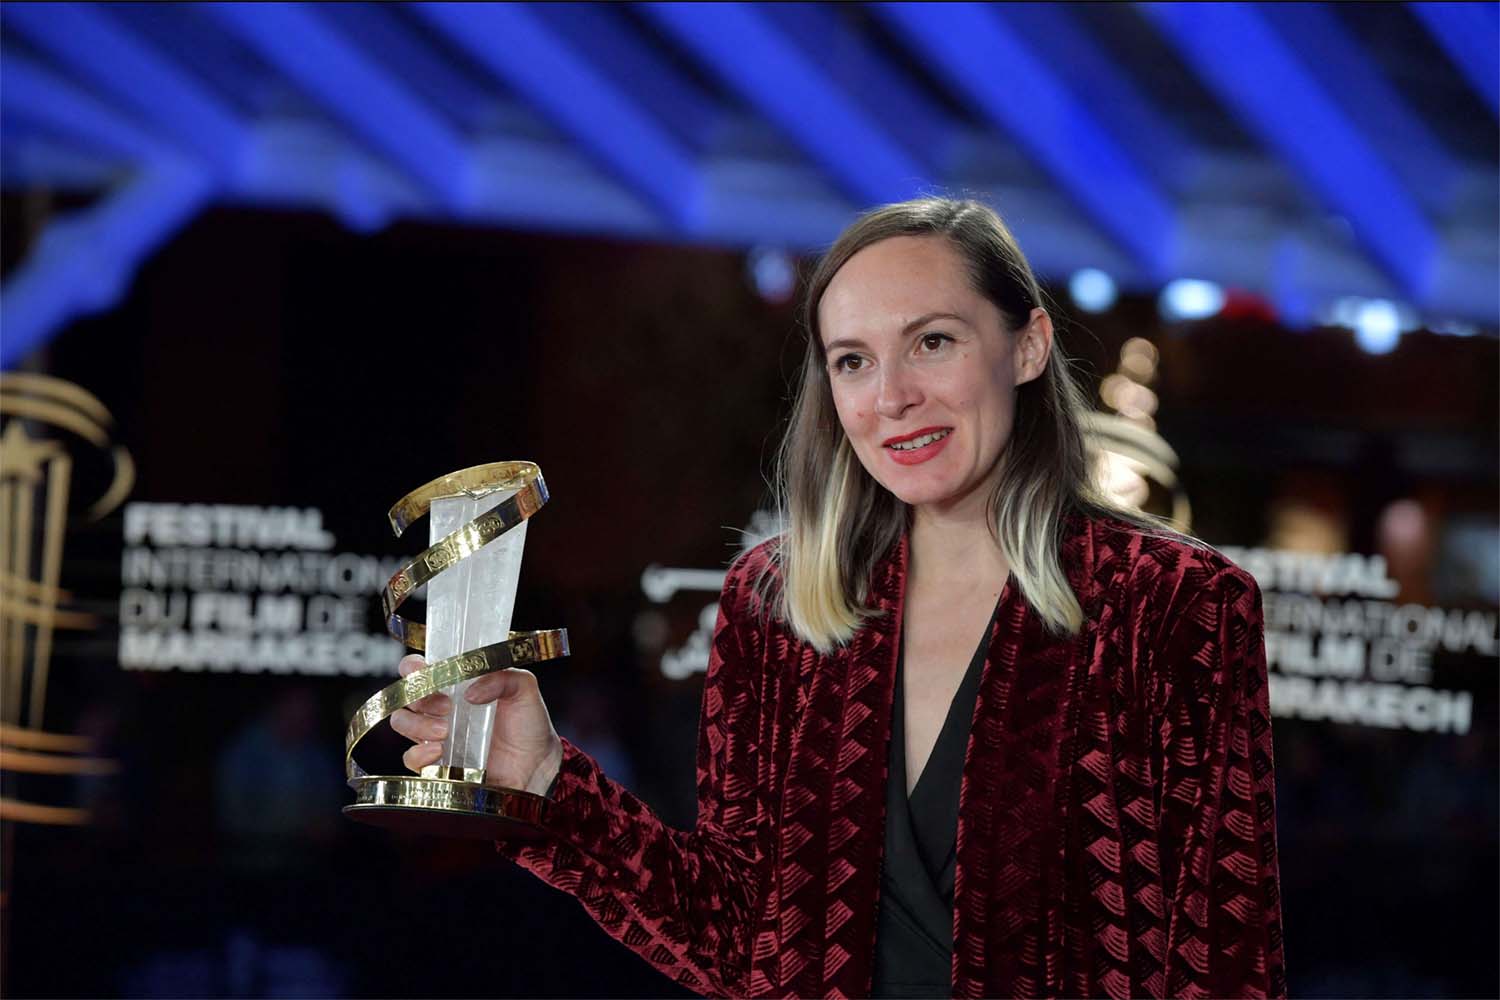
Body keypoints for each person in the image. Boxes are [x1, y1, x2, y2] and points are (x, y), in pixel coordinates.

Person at [392, 198, 1287, 999]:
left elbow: (1229, 962)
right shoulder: (776, 604)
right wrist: (547, 781)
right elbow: (736, 940)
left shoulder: (1176, 605)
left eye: (933, 341)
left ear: (1028, 346)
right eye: (853, 361)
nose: (892, 396)